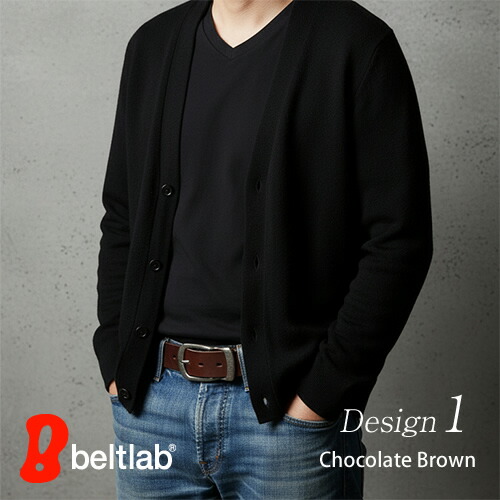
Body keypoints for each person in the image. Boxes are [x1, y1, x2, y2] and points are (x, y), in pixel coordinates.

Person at [93, 0, 433, 498]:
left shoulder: (357, 44)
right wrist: (115, 354)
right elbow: (123, 215)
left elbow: (399, 240)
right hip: (151, 407)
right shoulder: (152, 44)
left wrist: (322, 395)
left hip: (289, 420)